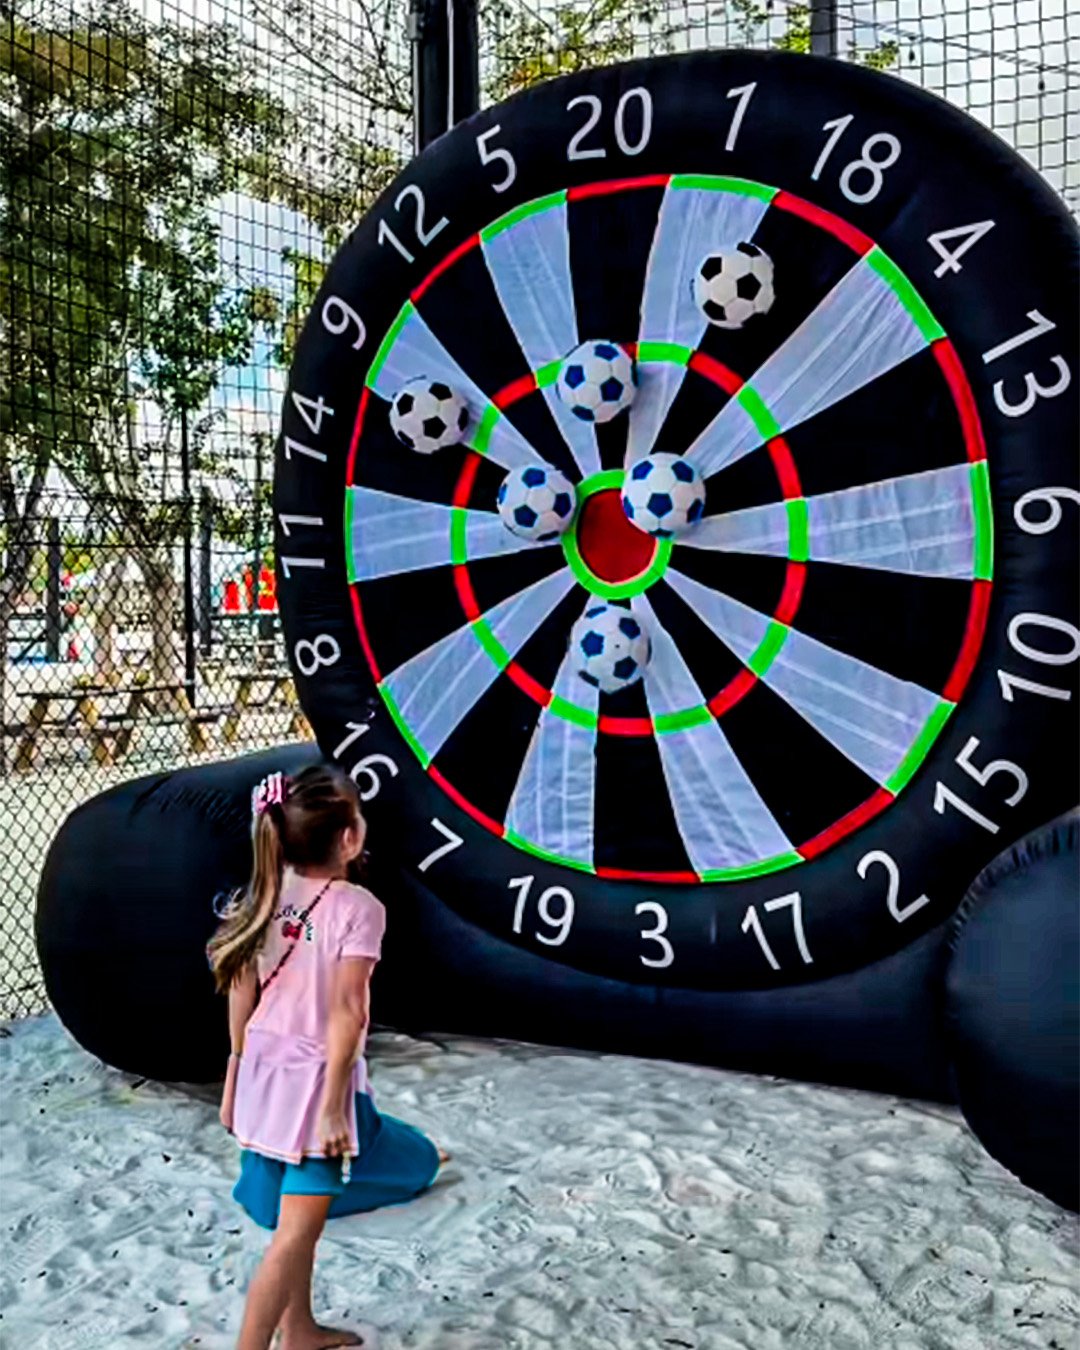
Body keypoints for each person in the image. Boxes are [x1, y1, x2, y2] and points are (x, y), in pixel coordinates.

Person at [207, 765, 442, 1350]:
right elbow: (347, 1013)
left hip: (263, 1072)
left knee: (297, 1228)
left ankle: (301, 1328)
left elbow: (241, 990)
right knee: (291, 1236)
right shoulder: (357, 907)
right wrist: (336, 1105)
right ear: (348, 839)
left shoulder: (264, 892)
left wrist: (233, 1078)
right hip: (313, 1089)